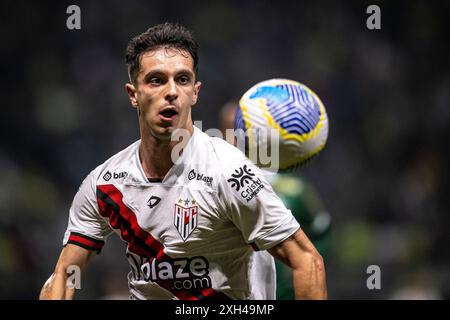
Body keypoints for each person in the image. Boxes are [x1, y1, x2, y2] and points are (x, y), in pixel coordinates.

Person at [39, 22, 327, 300]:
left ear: (195, 92)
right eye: (156, 80)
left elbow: (306, 260)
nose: (172, 91)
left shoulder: (230, 172)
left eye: (182, 79)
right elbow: (65, 274)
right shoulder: (104, 183)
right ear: (133, 95)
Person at [220, 101, 332, 299]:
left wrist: (297, 275)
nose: (236, 137)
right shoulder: (210, 187)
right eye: (230, 130)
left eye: (242, 130)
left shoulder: (294, 189)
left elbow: (321, 234)